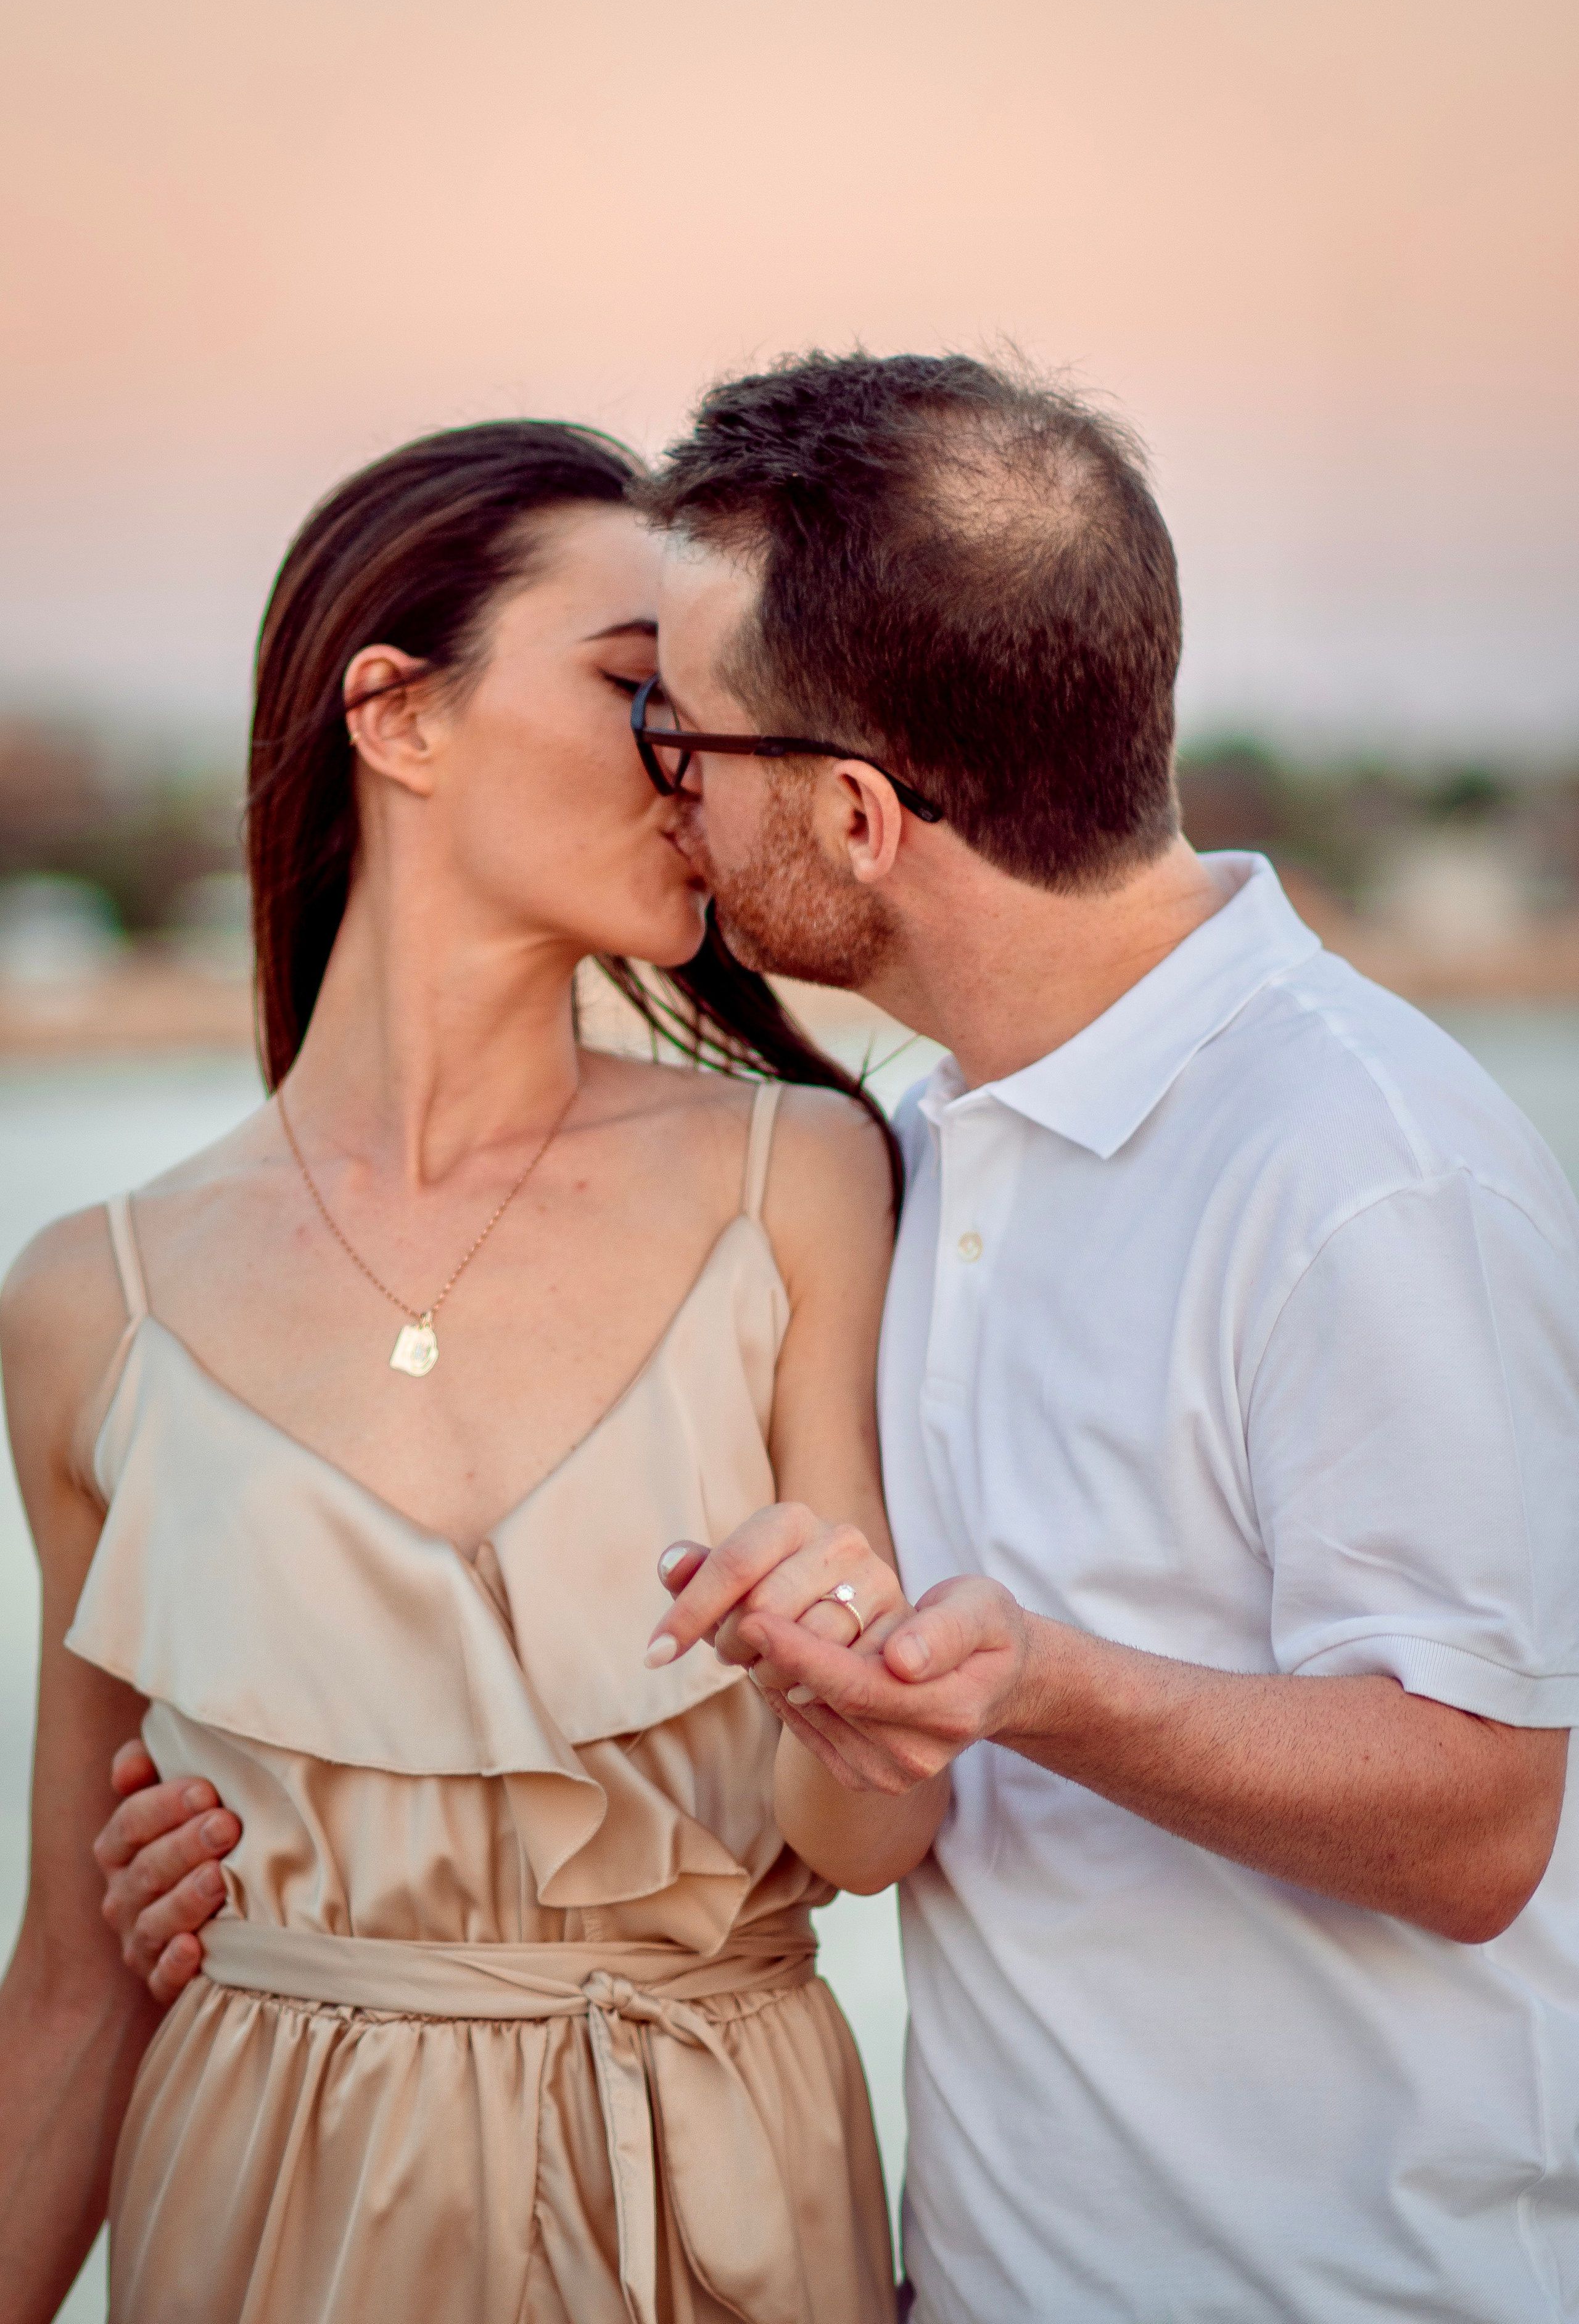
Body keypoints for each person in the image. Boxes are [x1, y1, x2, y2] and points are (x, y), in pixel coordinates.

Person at [94, 352, 1579, 2319]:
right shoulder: (921, 1148)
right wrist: (280, 1853)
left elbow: (1482, 1819)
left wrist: (1037, 1683)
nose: (665, 780)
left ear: (861, 816)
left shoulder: (1360, 1169)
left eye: (683, 728)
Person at [0, 417, 936, 2324]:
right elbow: (77, 1984)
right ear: (397, 715)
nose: (700, 766)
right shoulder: (92, 1302)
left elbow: (869, 1838)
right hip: (262, 2218)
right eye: (635, 694)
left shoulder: (803, 1180)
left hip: (719, 2209)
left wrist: (867, 1717)